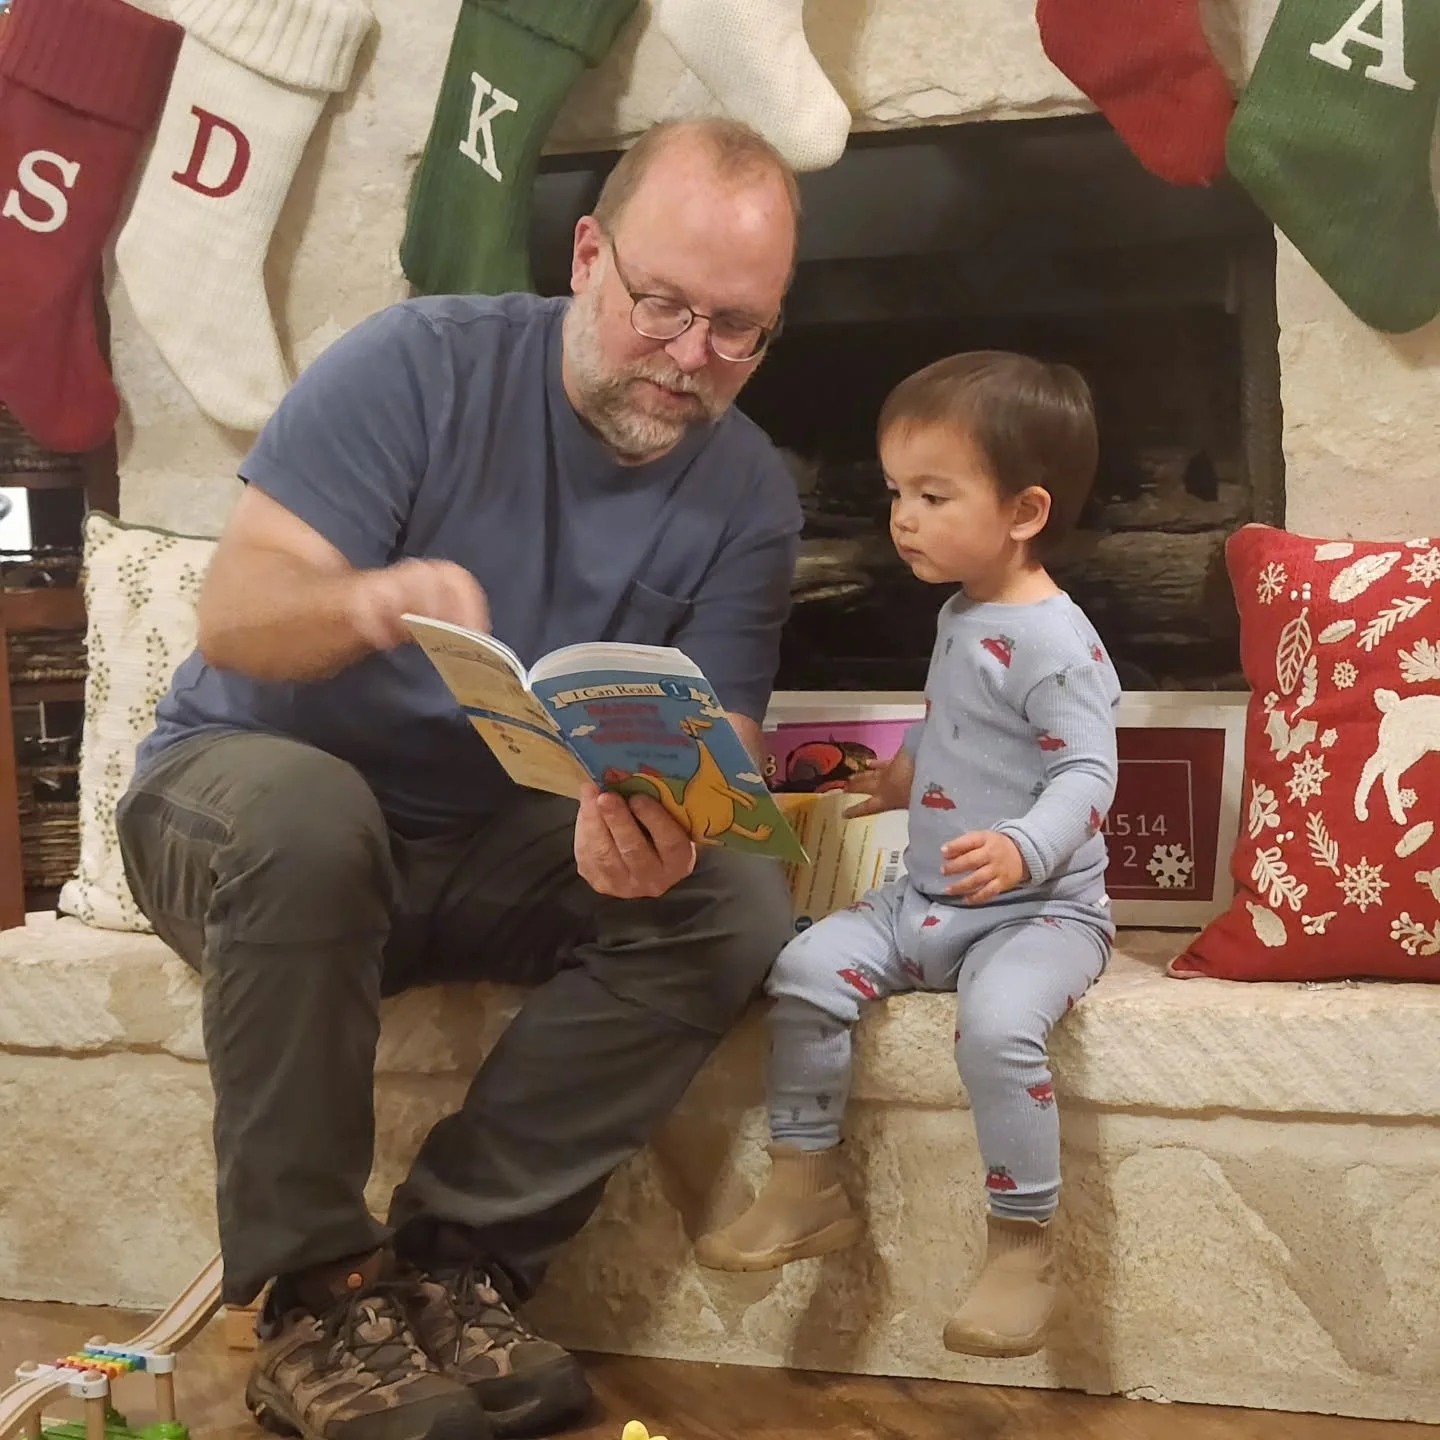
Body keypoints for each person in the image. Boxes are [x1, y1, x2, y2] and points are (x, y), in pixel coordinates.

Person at [116, 118, 803, 1440]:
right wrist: (368, 601)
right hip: (241, 810)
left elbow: (724, 737)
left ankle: (451, 1272)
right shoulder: (414, 366)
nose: (689, 358)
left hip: (489, 839)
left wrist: (655, 820)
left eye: (737, 329)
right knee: (315, 819)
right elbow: (237, 617)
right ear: (590, 253)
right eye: (662, 304)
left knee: (734, 895)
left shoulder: (751, 494)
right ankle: (315, 1297)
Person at [693, 351, 1120, 1361]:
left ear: (1024, 511)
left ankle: (1024, 1241)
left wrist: (1024, 848)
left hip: (1041, 913)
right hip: (928, 896)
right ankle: (805, 1184)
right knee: (801, 968)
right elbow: (961, 724)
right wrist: (904, 777)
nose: (903, 518)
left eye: (933, 494)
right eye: (895, 493)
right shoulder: (963, 611)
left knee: (1000, 1025)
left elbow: (1088, 777)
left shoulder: (1059, 643)